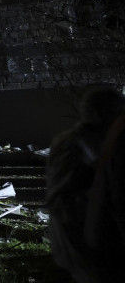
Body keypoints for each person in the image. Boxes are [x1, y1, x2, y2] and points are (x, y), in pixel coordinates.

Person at [46, 86, 125, 281]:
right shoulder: (83, 143)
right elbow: (69, 192)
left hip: (83, 233)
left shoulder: (76, 140)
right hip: (84, 231)